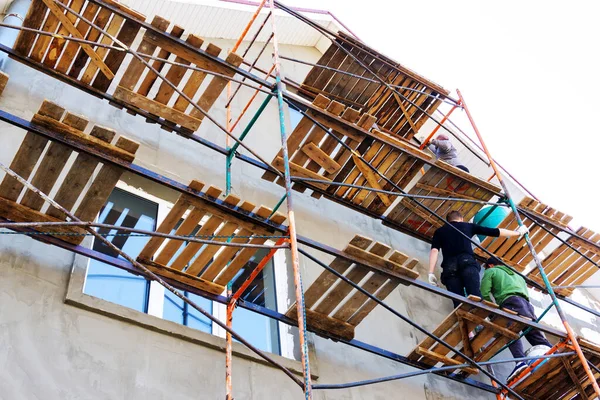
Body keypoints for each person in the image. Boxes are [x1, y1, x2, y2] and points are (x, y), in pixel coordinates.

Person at [428, 210, 528, 308]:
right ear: (461, 219)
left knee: (458, 303)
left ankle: (464, 321)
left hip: (449, 268)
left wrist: (431, 273)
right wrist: (518, 233)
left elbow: (434, 251)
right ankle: (479, 323)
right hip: (466, 262)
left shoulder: (439, 231)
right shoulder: (468, 226)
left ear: (448, 221)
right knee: (475, 298)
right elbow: (496, 231)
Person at [480, 256, 552, 381]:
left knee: (510, 332)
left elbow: (484, 292)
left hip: (510, 302)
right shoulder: (518, 275)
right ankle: (554, 352)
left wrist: (492, 313)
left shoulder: (491, 271)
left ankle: (520, 362)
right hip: (527, 305)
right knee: (533, 333)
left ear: (490, 265)